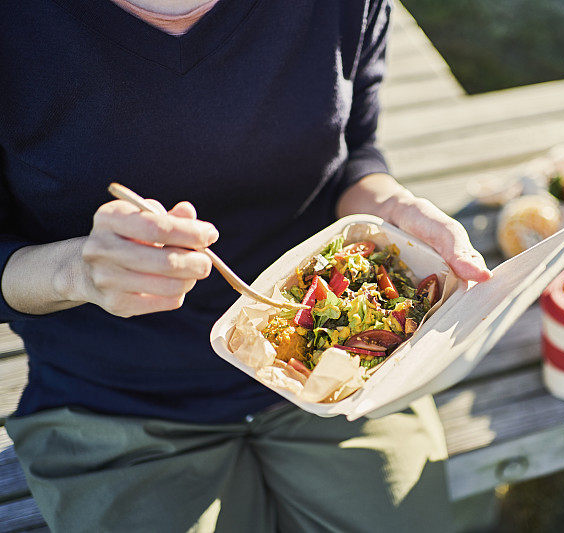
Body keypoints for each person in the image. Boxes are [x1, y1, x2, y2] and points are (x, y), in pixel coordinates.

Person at [0, 0, 496, 531]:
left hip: (340, 377)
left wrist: (390, 208)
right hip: (113, 401)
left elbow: (356, 153)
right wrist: (75, 272)